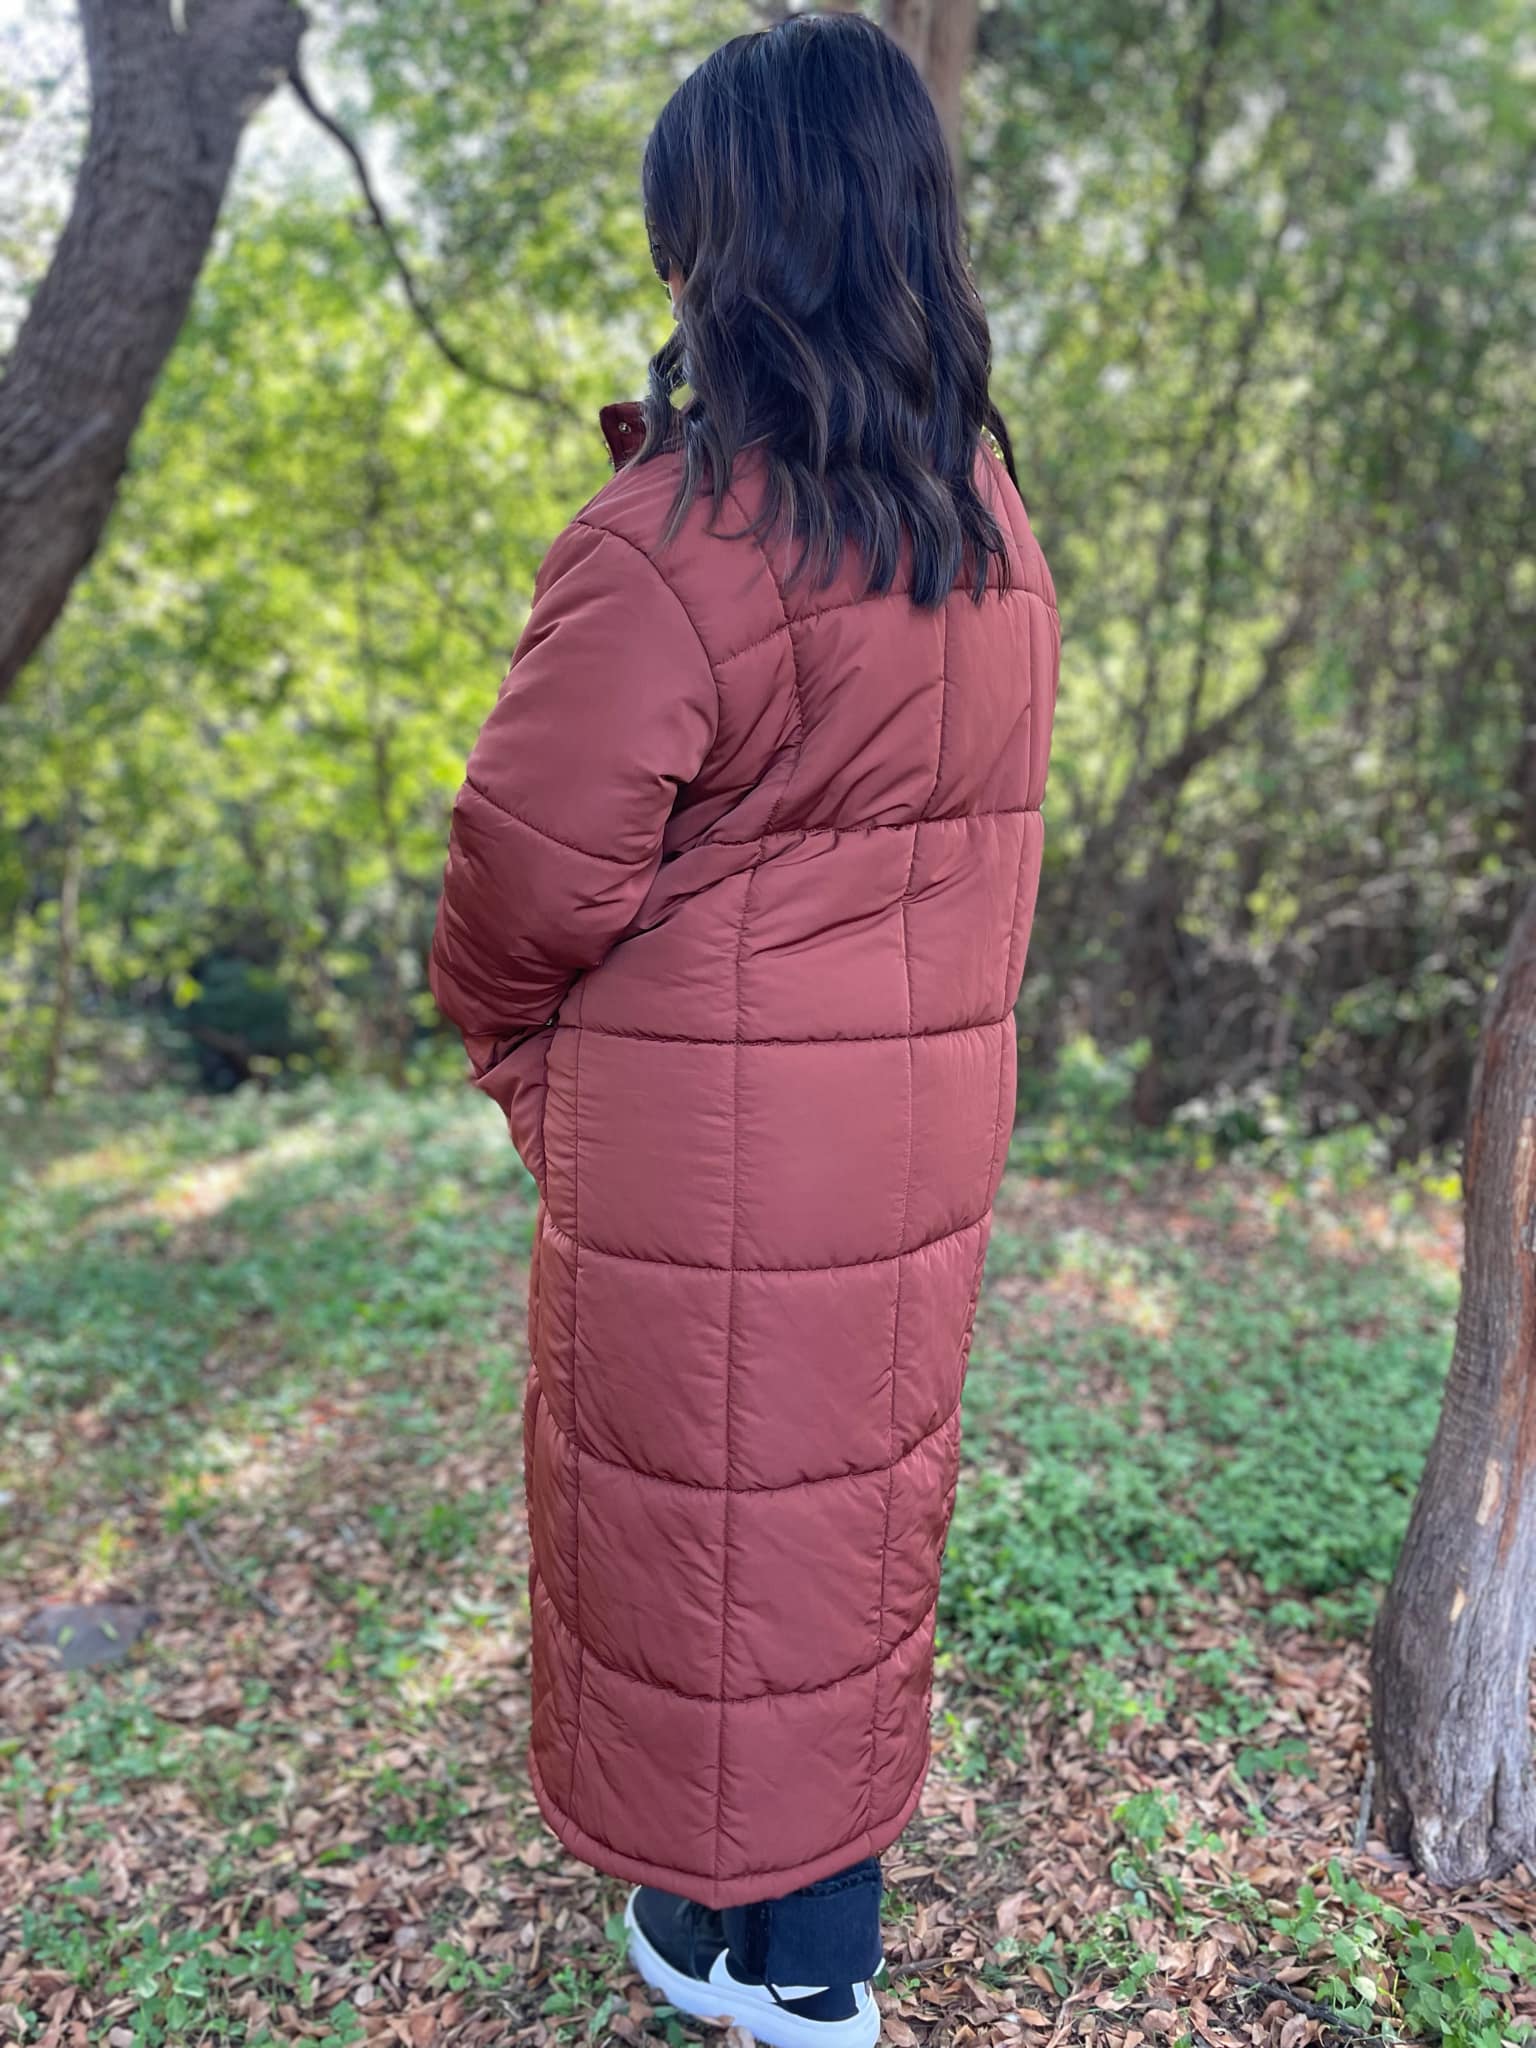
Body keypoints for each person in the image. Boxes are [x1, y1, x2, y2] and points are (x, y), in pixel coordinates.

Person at [428, 13, 1060, 2044]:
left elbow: (521, 887)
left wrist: (528, 1063)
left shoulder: (672, 542)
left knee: (709, 1537)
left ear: (732, 242)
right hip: (913, 1135)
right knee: (834, 1524)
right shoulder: (986, 522)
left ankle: (792, 1977)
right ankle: (772, 1940)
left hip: (709, 1137)